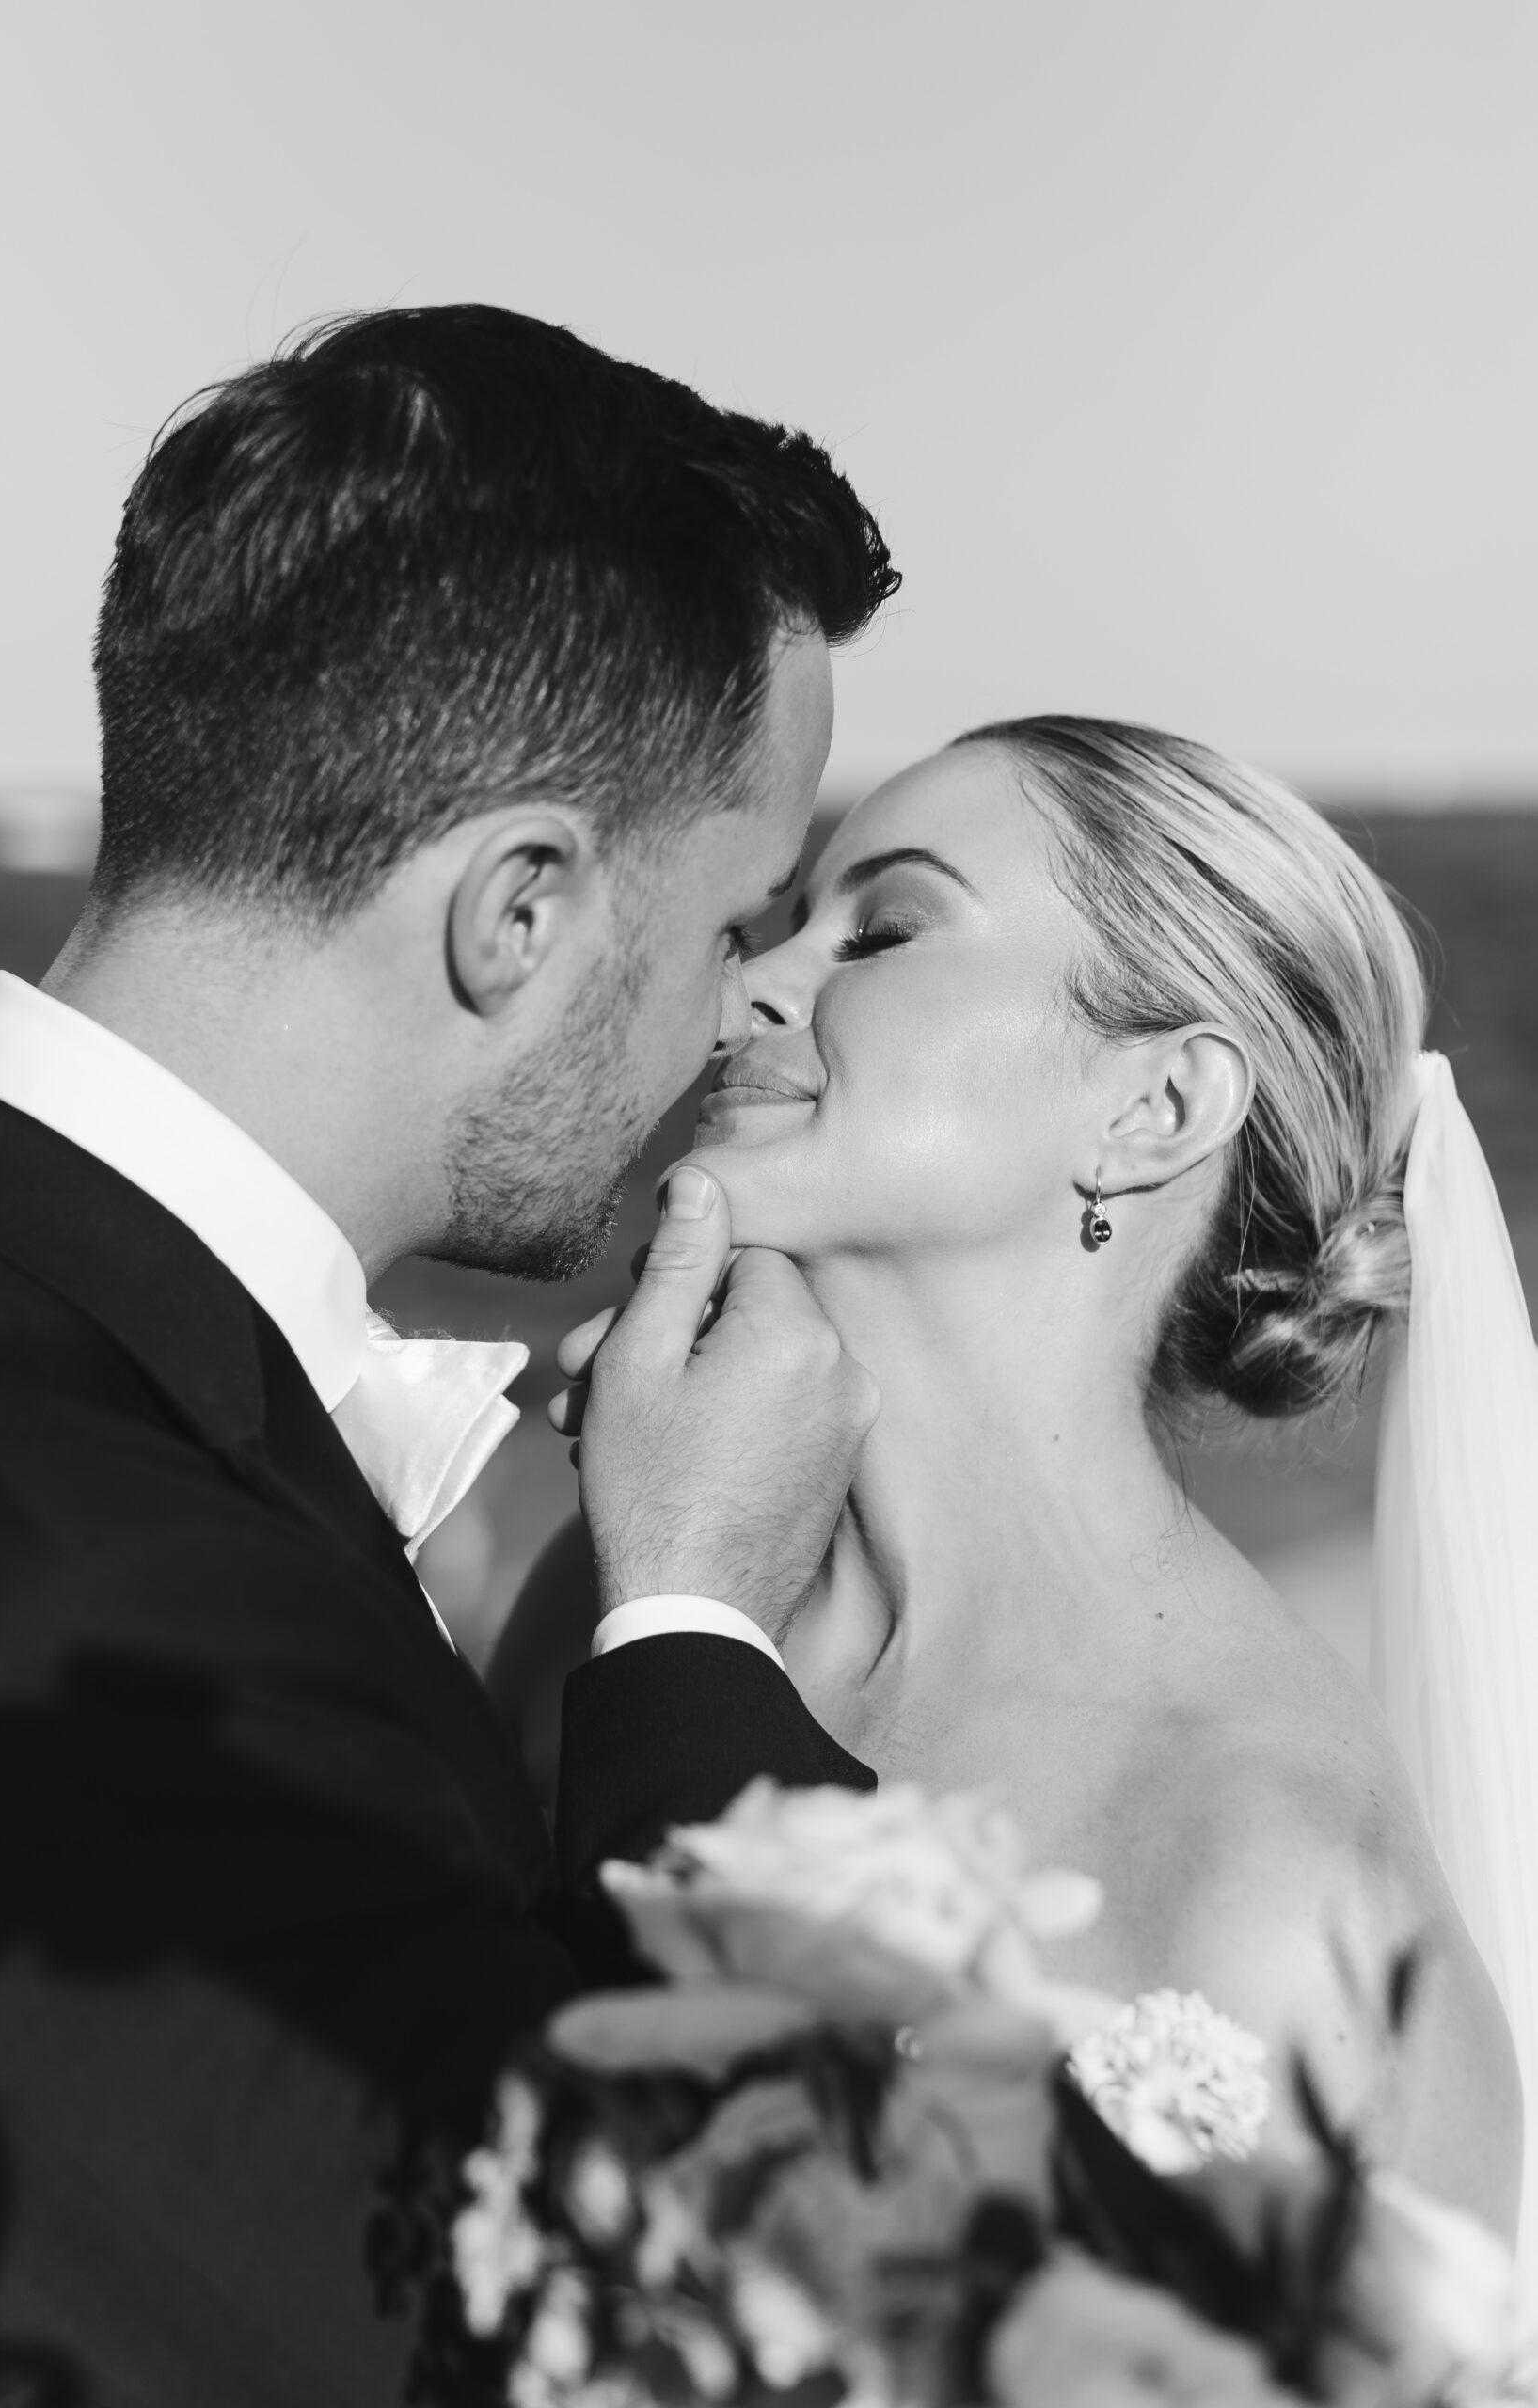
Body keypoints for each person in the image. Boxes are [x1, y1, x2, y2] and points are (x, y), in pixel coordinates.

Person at [0, 305, 898, 2405]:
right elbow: (669, 2343)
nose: (745, 1011)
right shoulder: (125, 1616)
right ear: (516, 908)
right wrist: (694, 1633)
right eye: (736, 920)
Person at [547, 715, 1523, 2235]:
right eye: (780, 921)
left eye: (881, 931)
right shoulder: (627, 1587)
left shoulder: (1265, 1875)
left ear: (1154, 1110)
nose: (745, 985)